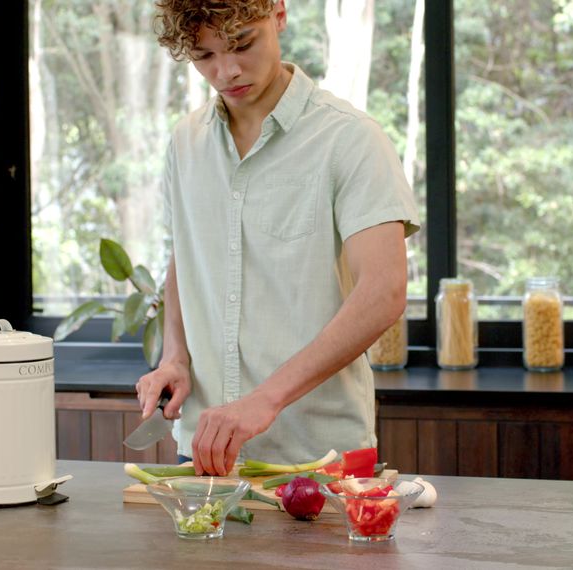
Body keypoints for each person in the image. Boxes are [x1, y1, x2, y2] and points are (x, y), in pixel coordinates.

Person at [136, 0, 419, 476]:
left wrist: (264, 400)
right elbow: (186, 258)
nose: (226, 71)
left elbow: (384, 292)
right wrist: (175, 357)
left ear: (279, 15)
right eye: (204, 57)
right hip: (206, 455)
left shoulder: (350, 139)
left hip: (318, 456)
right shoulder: (185, 143)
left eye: (242, 44)